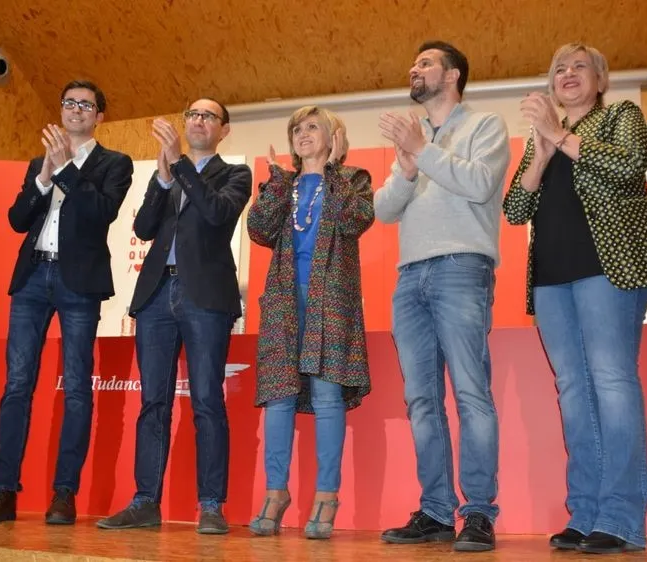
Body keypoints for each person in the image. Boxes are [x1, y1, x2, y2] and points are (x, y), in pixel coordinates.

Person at [503, 42, 647, 554]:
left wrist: (560, 136)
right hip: (552, 279)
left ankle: (621, 518)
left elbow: (630, 164)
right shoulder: (546, 137)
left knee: (611, 382)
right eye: (559, 68)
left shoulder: (620, 116)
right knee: (573, 391)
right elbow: (515, 209)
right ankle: (585, 513)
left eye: (579, 66)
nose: (567, 73)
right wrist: (541, 153)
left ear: (600, 81)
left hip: (610, 268)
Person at [0, 81, 133, 525]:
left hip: (79, 283)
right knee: (17, 384)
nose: (76, 110)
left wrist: (64, 169)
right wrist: (43, 176)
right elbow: (17, 219)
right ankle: (3, 491)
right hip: (32, 277)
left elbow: (102, 212)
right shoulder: (37, 162)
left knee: (77, 387)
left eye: (86, 105)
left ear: (99, 116)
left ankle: (64, 493)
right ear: (61, 110)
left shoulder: (114, 163)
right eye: (69, 103)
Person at [375, 41, 510, 553]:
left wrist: (423, 150)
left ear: (452, 75)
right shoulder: (414, 139)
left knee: (472, 393)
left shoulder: (484, 125)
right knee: (420, 400)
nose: (415, 68)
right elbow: (384, 210)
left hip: (461, 267)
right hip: (409, 276)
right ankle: (434, 511)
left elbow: (480, 184)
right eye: (414, 62)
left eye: (426, 63)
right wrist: (409, 169)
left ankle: (477, 513)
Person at [96, 98, 252, 534]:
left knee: (206, 400)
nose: (197, 121)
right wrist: (162, 180)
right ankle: (145, 502)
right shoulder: (168, 173)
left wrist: (179, 165)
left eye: (208, 116)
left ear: (224, 130)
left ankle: (211, 505)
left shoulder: (235, 174)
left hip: (205, 296)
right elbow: (143, 228)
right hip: (156, 293)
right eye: (192, 115)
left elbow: (217, 213)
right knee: (153, 403)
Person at [246, 105, 373, 540]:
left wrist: (332, 171)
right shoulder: (284, 184)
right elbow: (259, 230)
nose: (302, 134)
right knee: (279, 396)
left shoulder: (353, 180)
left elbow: (355, 219)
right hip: (283, 301)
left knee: (326, 397)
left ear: (334, 137)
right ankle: (275, 493)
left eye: (313, 127)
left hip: (331, 302)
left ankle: (326, 495)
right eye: (297, 128)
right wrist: (278, 185)